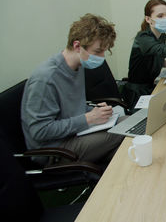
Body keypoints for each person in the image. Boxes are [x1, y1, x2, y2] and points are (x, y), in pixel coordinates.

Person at [21, 14, 123, 166]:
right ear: (77, 46)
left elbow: (71, 107)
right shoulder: (46, 78)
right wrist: (89, 118)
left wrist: (95, 111)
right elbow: (40, 131)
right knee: (125, 129)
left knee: (123, 133)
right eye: (97, 52)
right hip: (54, 149)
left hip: (75, 134)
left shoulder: (77, 66)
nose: (102, 57)